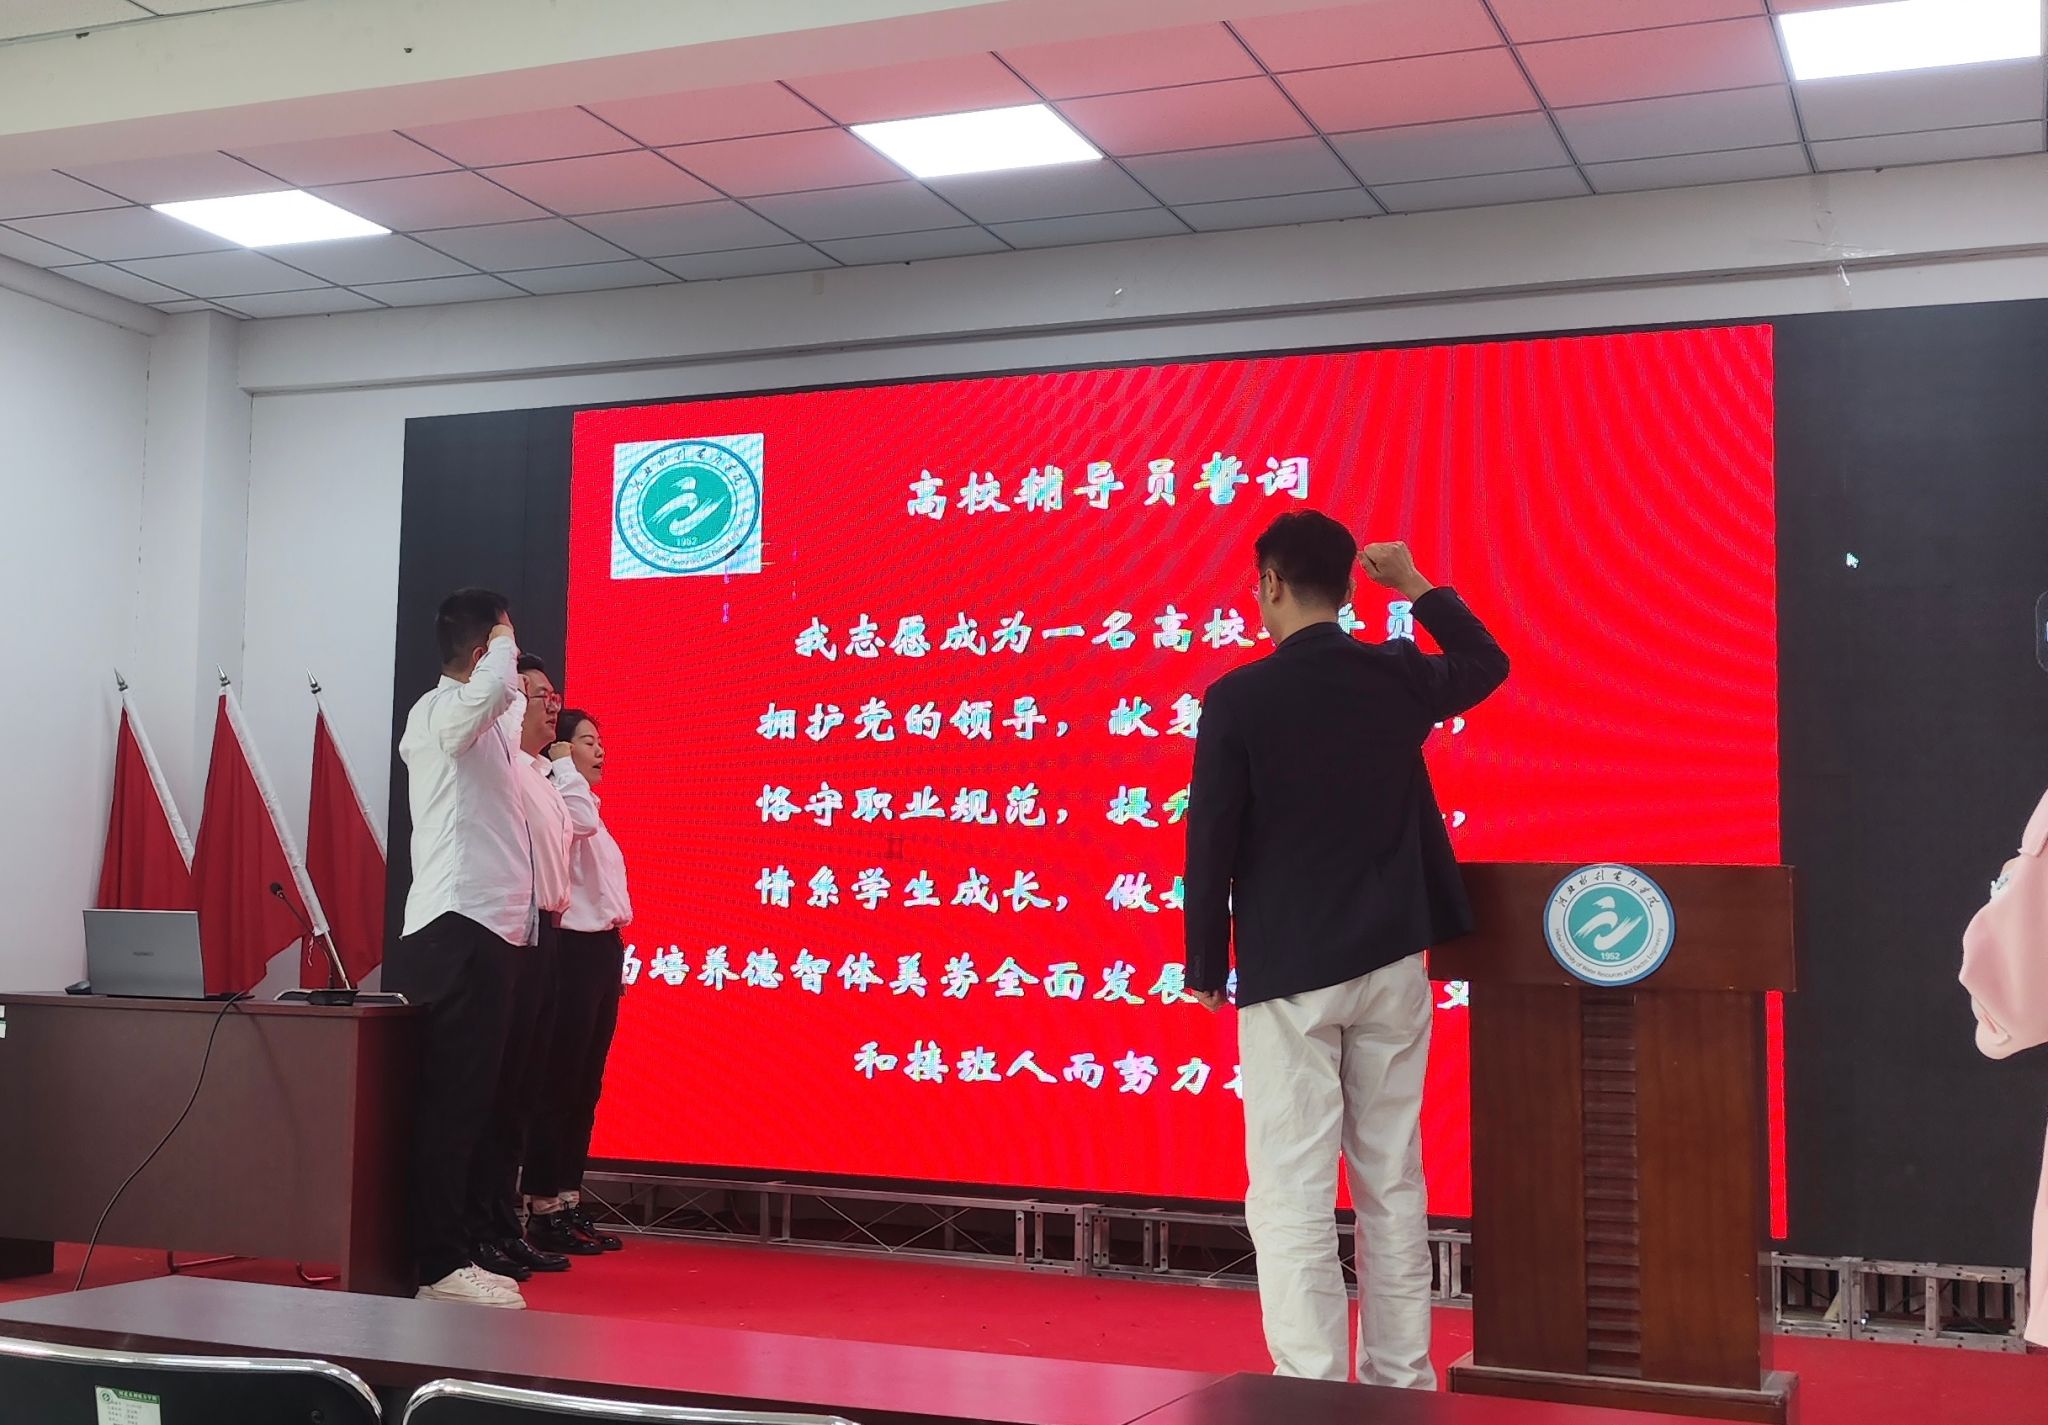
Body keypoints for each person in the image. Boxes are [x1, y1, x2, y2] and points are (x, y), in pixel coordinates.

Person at [1183, 512, 1509, 1388]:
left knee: (1291, 1185)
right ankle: (1400, 1383)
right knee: (1391, 1179)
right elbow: (1487, 662)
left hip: (1292, 971)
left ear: (1271, 583)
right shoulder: (1393, 674)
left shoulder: (1240, 696)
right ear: (1348, 586)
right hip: (1393, 960)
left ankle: (1311, 1385)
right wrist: (1417, 584)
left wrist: (1206, 962)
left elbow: (1211, 838)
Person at [383, 588, 535, 1309]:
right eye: (507, 643)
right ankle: (437, 1265)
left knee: (473, 1104)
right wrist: (500, 643)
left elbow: (504, 701)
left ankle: (454, 1251)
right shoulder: (439, 710)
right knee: (450, 1104)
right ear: (483, 654)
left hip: (490, 929)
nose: (515, 657)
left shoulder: (488, 726)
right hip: (457, 925)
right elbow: (492, 691)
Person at [464, 655, 598, 1284]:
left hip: (544, 929)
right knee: (496, 1093)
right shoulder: (504, 771)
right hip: (508, 927)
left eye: (552, 696)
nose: (551, 706)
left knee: (520, 1094)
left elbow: (577, 828)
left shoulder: (541, 773)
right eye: (537, 695)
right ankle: (479, 1230)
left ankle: (503, 1225)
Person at [524, 708, 631, 1256]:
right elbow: (578, 825)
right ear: (561, 749)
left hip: (602, 950)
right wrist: (562, 765)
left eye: (600, 741)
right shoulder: (560, 799)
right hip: (569, 949)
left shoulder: (588, 805)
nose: (600, 750)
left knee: (586, 1086)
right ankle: (541, 1206)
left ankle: (567, 1199)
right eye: (587, 741)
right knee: (559, 1083)